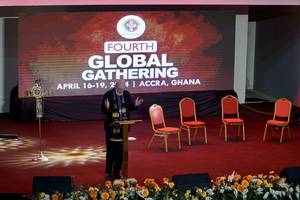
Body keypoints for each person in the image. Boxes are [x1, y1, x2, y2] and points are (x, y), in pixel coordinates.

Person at [101, 80, 143, 180]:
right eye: (120, 89)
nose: (121, 91)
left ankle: (117, 172)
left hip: (123, 128)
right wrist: (106, 108)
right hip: (111, 128)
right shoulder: (108, 95)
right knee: (111, 151)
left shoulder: (126, 94)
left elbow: (130, 107)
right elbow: (102, 110)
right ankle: (108, 172)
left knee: (120, 152)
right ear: (115, 87)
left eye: (123, 89)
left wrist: (136, 105)